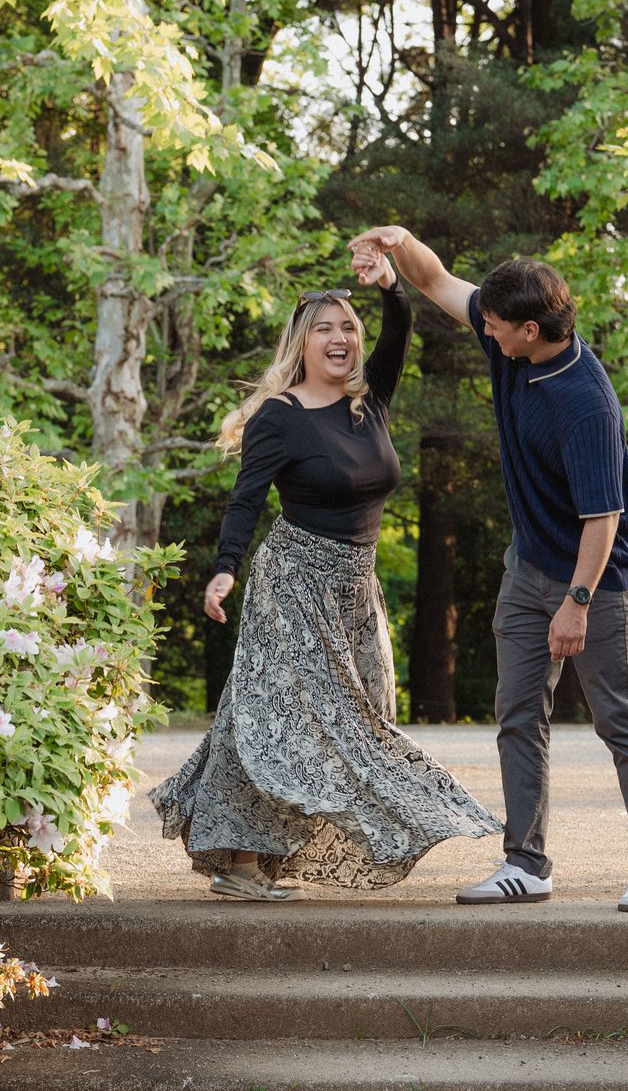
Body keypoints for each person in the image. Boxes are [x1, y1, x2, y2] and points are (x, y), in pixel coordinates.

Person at [149, 245, 502, 901]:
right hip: (293, 581)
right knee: (276, 719)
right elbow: (246, 500)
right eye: (324, 329)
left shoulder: (370, 401)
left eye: (348, 327)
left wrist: (392, 282)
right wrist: (224, 569)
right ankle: (240, 864)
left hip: (356, 587)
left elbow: (400, 329)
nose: (340, 338)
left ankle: (261, 854)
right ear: (302, 343)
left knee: (358, 722)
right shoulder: (279, 415)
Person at [349, 225, 628, 913]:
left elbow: (604, 519)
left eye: (496, 325)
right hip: (528, 568)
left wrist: (577, 603)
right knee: (519, 715)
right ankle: (526, 864)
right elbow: (436, 279)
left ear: (530, 330)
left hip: (598, 580)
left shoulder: (586, 403)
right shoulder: (512, 340)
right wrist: (399, 242)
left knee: (619, 718)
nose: (485, 331)